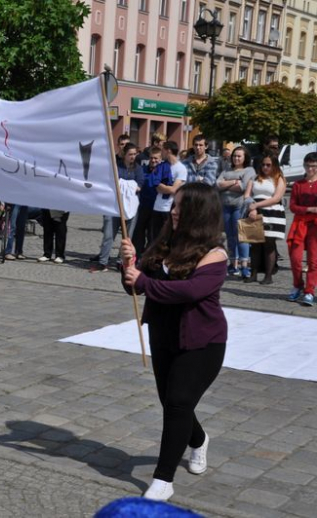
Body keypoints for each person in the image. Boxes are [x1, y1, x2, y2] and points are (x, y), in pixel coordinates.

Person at [121, 182, 228, 502]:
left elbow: (189, 291)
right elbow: (136, 288)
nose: (175, 211)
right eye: (174, 204)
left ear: (200, 213)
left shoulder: (215, 254)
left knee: (179, 402)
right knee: (172, 403)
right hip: (163, 335)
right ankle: (198, 440)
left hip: (201, 341)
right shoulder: (165, 242)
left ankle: (163, 480)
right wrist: (128, 264)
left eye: (182, 206)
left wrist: (143, 280)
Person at [91, 143, 144, 272]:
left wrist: (124, 185)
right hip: (113, 206)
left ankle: (122, 262)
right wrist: (128, 185)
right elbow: (111, 183)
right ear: (124, 155)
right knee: (109, 234)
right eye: (130, 154)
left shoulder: (138, 169)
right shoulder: (116, 167)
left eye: (134, 154)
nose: (133, 157)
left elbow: (140, 185)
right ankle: (103, 261)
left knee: (127, 238)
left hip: (131, 207)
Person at [244, 152, 287, 285]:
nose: (265, 167)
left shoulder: (279, 178)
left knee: (269, 245)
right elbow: (247, 195)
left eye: (268, 165)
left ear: (274, 165)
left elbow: (276, 198)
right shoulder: (255, 178)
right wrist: (253, 208)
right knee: (255, 244)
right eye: (263, 164)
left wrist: (256, 204)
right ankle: (253, 274)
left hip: (273, 214)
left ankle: (268, 275)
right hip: (255, 212)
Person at [216, 146, 256, 278]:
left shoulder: (249, 170)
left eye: (239, 156)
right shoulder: (227, 169)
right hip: (226, 206)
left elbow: (243, 186)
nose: (236, 158)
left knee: (241, 237)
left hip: (240, 207)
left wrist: (225, 184)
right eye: (234, 156)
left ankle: (244, 266)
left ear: (245, 158)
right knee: (230, 236)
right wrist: (234, 181)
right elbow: (217, 184)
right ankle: (233, 265)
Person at [287, 152, 317, 305]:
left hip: (315, 226)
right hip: (300, 224)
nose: (310, 169)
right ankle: (297, 285)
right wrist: (309, 209)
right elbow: (292, 206)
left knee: (313, 260)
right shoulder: (298, 184)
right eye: (307, 165)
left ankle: (310, 291)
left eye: (313, 166)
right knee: (295, 258)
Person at [132, 146, 164, 254]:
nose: (153, 160)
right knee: (138, 233)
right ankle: (136, 256)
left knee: (152, 235)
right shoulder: (142, 170)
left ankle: (148, 257)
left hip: (157, 208)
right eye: (151, 158)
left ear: (160, 159)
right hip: (143, 206)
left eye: (156, 158)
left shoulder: (164, 172)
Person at [151, 141, 187, 236]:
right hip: (158, 206)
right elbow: (156, 186)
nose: (161, 153)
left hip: (171, 207)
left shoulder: (181, 168)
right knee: (155, 236)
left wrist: (161, 186)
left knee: (168, 236)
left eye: (162, 150)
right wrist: (163, 186)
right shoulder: (162, 166)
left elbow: (173, 190)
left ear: (168, 151)